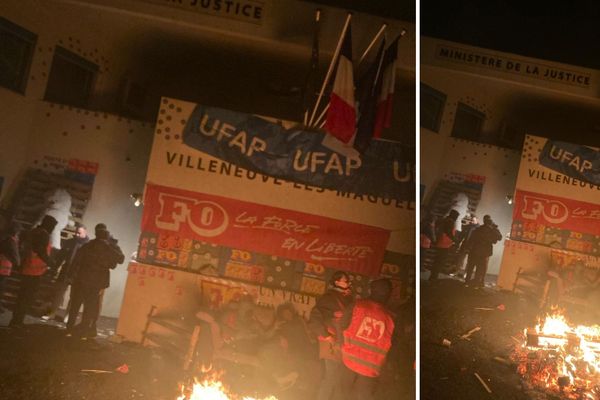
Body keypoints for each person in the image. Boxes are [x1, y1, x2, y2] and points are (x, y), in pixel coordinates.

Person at [338, 279, 395, 400]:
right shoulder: (391, 318)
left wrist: (342, 346)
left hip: (348, 361)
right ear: (389, 295)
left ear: (371, 290)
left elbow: (341, 325)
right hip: (371, 369)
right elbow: (394, 345)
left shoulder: (357, 306)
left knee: (342, 395)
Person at [68, 224, 124, 337]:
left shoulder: (88, 245)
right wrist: (111, 246)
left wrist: (71, 275)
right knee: (91, 306)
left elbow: (76, 261)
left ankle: (70, 326)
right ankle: (85, 328)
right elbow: (120, 259)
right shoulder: (108, 247)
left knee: (76, 304)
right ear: (106, 235)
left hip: (82, 279)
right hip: (97, 282)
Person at [308, 271, 354, 400]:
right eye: (345, 280)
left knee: (338, 377)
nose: (348, 283)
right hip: (332, 343)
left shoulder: (347, 299)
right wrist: (327, 335)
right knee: (331, 377)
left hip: (342, 343)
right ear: (337, 282)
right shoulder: (328, 298)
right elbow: (314, 318)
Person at [9, 215, 57, 328]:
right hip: (35, 270)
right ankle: (17, 321)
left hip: (26, 266)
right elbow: (41, 251)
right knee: (27, 297)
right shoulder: (43, 234)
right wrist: (51, 263)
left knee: (22, 296)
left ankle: (15, 320)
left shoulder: (33, 231)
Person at [45, 224, 89, 321]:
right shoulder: (70, 242)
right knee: (58, 293)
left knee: (74, 296)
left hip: (78, 273)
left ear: (85, 233)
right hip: (66, 270)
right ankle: (52, 313)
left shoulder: (88, 246)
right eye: (76, 232)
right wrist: (55, 267)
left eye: (79, 233)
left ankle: (68, 316)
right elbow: (61, 257)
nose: (77, 235)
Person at [463, 215, 502, 288]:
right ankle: (476, 285)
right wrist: (495, 228)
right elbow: (499, 237)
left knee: (470, 268)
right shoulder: (491, 231)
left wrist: (467, 249)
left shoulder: (478, 229)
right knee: (479, 269)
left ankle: (466, 283)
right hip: (484, 254)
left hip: (474, 251)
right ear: (490, 222)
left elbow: (471, 240)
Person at [429, 209, 460, 282]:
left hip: (440, 242)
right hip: (445, 244)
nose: (456, 218)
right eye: (456, 216)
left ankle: (433, 276)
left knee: (437, 260)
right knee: (440, 261)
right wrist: (455, 240)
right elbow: (448, 232)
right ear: (454, 215)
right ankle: (434, 277)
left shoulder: (444, 220)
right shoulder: (450, 221)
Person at [0, 220, 22, 313]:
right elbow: (15, 256)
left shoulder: (4, 237)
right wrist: (18, 263)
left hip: (3, 266)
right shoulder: (11, 240)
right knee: (1, 287)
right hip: (3, 268)